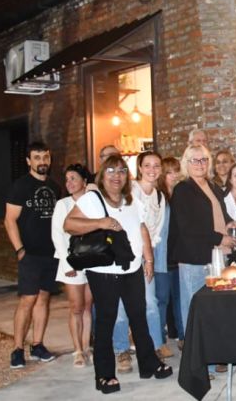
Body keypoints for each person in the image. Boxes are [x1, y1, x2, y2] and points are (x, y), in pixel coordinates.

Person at [64, 155, 172, 394]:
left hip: (132, 268)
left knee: (139, 317)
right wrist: (100, 222)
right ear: (102, 175)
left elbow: (142, 228)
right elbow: (69, 224)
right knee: (106, 320)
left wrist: (149, 259)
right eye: (111, 170)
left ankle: (149, 363)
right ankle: (104, 375)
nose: (117, 175)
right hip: (104, 271)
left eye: (122, 171)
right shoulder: (92, 199)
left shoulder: (131, 199)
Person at [111, 151, 171, 374]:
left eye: (156, 165)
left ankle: (153, 347)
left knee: (150, 303)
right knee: (120, 306)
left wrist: (149, 258)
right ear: (139, 168)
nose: (152, 170)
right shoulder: (129, 192)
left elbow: (155, 231)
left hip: (146, 256)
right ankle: (121, 350)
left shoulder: (160, 196)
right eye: (147, 165)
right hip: (123, 256)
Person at [169, 145, 236, 338]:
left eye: (204, 159)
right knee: (194, 306)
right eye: (195, 160)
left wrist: (230, 221)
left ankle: (212, 349)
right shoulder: (182, 189)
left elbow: (218, 213)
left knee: (214, 306)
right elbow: (189, 227)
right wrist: (220, 237)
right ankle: (194, 351)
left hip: (217, 254)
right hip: (194, 257)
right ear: (186, 163)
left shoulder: (212, 186)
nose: (200, 164)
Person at [6, 141, 60, 369]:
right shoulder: (21, 186)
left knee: (43, 299)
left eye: (45, 157)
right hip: (30, 254)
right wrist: (20, 250)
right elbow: (9, 220)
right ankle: (17, 349)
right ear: (29, 161)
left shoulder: (55, 187)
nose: (42, 161)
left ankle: (37, 345)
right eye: (37, 157)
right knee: (28, 299)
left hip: (51, 253)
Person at [51, 163, 93, 368]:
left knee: (87, 307)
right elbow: (57, 235)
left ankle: (86, 347)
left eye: (73, 178)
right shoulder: (63, 204)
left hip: (92, 261)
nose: (69, 183)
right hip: (71, 263)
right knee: (76, 307)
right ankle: (77, 350)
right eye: (67, 179)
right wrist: (67, 263)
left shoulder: (93, 201)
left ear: (84, 181)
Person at [158, 157, 184, 348]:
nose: (174, 176)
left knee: (180, 298)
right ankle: (159, 341)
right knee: (161, 299)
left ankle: (183, 336)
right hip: (162, 256)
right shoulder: (159, 197)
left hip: (180, 255)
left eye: (176, 171)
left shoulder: (182, 194)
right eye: (169, 172)